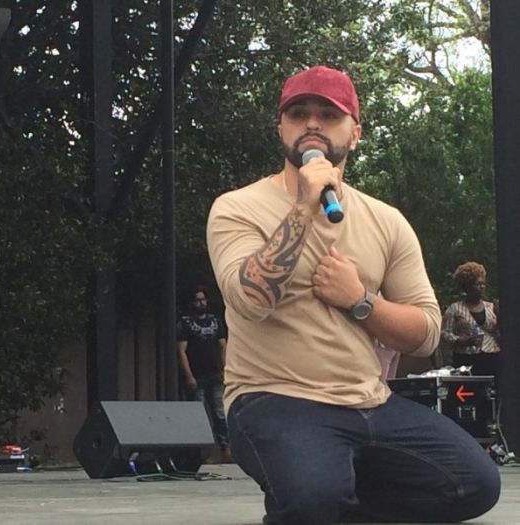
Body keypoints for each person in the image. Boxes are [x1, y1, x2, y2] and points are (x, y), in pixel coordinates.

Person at [206, 65, 499, 524]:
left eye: (329, 114)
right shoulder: (237, 207)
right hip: (273, 397)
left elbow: (425, 333)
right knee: (314, 498)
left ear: (355, 132)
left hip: (370, 402)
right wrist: (305, 203)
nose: (313, 124)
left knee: (475, 485)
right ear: (281, 127)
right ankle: (316, 499)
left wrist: (361, 300)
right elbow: (250, 300)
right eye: (299, 113)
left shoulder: (386, 220)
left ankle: (328, 504)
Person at [176, 285, 229, 453]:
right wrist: (189, 375)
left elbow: (223, 347)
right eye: (197, 300)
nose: (201, 303)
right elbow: (181, 351)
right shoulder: (185, 323)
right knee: (197, 414)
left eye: (203, 299)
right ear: (191, 302)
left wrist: (225, 369)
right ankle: (198, 450)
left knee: (220, 412)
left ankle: (225, 448)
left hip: (215, 373)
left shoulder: (215, 321)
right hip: (197, 375)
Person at [441, 261, 500, 377]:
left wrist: (500, 318)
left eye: (483, 284)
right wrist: (461, 341)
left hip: (491, 356)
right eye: (477, 284)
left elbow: (498, 333)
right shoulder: (455, 308)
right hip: (466, 358)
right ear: (467, 286)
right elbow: (445, 334)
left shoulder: (491, 307)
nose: (482, 287)